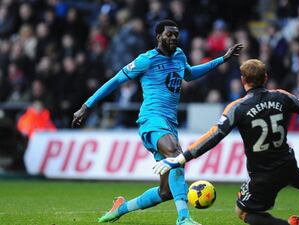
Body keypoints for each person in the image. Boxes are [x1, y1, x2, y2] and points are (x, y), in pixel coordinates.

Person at [71, 19, 243, 225]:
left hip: (170, 123)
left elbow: (189, 74)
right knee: (176, 154)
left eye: (176, 35)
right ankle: (183, 218)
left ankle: (121, 208)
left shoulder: (179, 56)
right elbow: (116, 80)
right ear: (158, 36)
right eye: (169, 34)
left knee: (166, 191)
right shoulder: (146, 60)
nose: (173, 38)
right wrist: (86, 106)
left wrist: (222, 59)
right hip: (151, 119)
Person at [153, 59, 299, 225]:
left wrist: (181, 158)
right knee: (292, 174)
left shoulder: (238, 107)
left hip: (262, 174)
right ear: (265, 78)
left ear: (243, 80)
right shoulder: (282, 96)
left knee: (244, 212)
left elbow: (214, 136)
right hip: (286, 161)